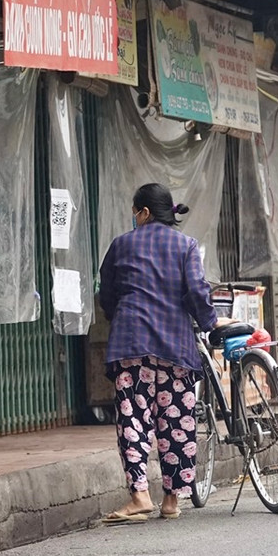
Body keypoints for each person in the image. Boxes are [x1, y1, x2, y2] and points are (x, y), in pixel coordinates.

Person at [96, 183, 231, 524]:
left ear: (142, 212)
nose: (133, 217)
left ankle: (140, 495)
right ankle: (171, 500)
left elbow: (107, 291)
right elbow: (197, 293)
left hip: (132, 344)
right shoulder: (185, 246)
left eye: (134, 211)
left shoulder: (121, 244)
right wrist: (211, 324)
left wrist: (119, 316)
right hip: (175, 346)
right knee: (176, 423)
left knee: (133, 420)